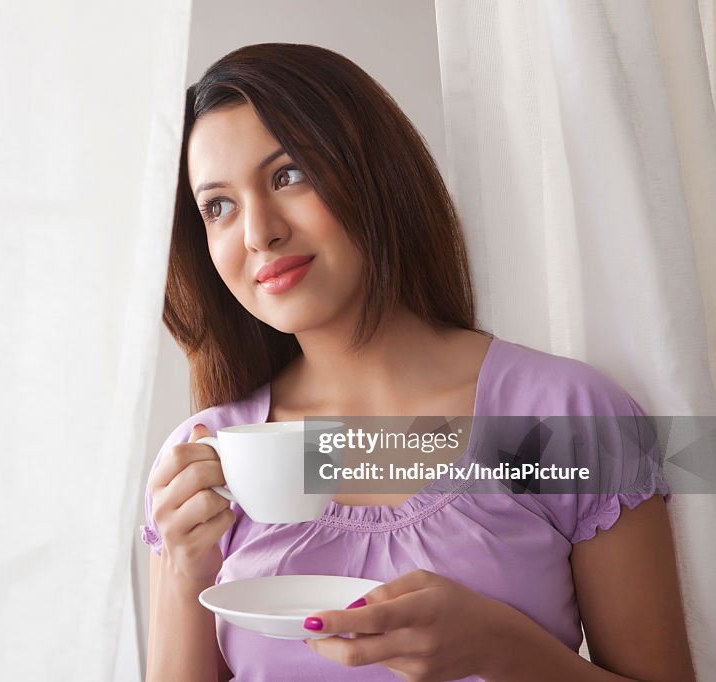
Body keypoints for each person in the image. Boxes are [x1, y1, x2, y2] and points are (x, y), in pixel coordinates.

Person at [140, 43, 694, 681]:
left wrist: (501, 648)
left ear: (371, 170)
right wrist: (186, 574)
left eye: (288, 174)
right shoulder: (207, 458)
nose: (258, 232)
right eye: (219, 206)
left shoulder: (566, 416)